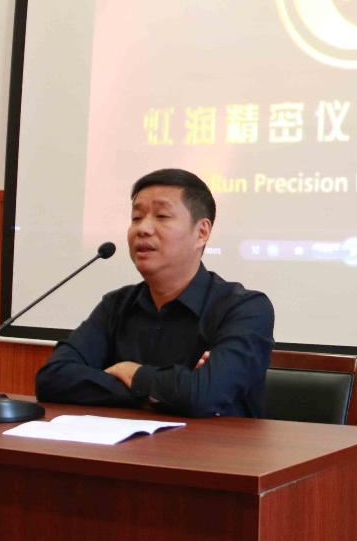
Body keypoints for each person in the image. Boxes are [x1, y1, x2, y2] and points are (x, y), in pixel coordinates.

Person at [35, 169, 274, 417]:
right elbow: (52, 379)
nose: (143, 229)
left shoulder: (245, 309)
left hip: (214, 443)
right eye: (136, 217)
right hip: (126, 442)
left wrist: (132, 373)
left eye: (162, 216)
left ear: (201, 232)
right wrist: (156, 394)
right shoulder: (116, 305)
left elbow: (205, 395)